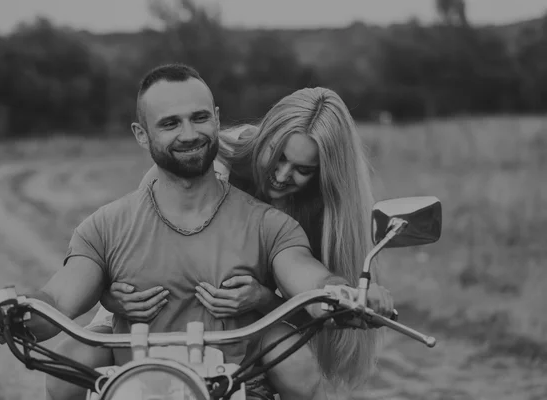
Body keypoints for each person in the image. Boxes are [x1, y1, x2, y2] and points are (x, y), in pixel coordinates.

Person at [36, 64, 393, 400]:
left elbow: (309, 279)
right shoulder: (114, 220)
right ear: (142, 135)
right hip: (139, 330)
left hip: (245, 340)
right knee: (61, 374)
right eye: (171, 123)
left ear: (216, 119)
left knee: (299, 370)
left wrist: (345, 293)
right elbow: (62, 294)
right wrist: (83, 301)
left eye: (303, 169)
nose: (282, 175)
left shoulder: (281, 223)